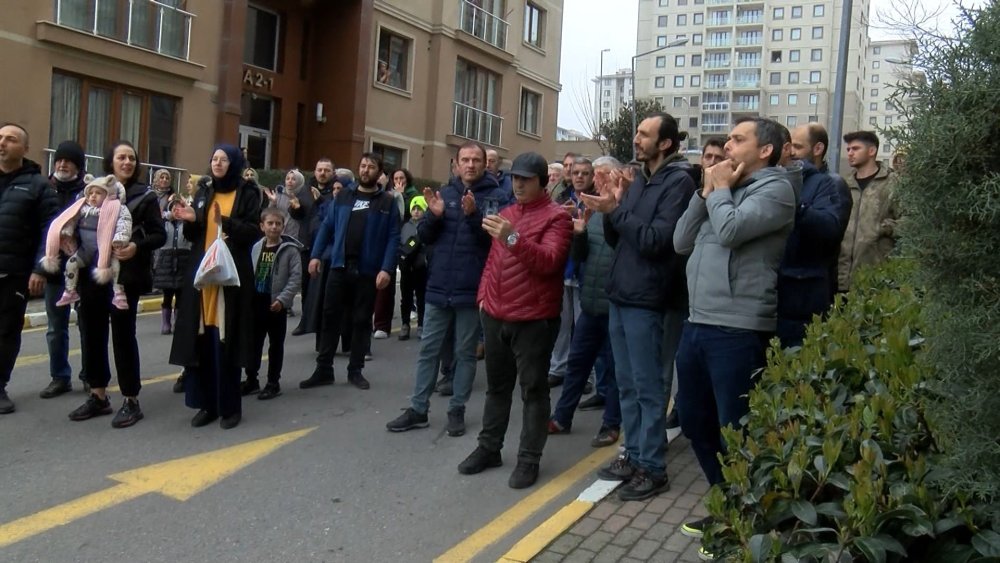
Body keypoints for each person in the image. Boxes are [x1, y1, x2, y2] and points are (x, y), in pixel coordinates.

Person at [672, 117, 798, 538]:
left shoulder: (776, 190)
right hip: (697, 322)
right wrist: (705, 192)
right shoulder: (724, 189)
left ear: (765, 150)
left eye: (737, 139)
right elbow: (680, 241)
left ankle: (747, 520)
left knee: (736, 430)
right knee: (693, 420)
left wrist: (721, 190)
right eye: (727, 138)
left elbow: (729, 231)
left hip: (737, 328)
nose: (727, 146)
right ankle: (727, 503)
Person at [580, 112, 697, 501]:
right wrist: (610, 208)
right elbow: (619, 239)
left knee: (648, 388)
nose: (637, 139)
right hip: (622, 294)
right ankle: (632, 455)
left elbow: (654, 241)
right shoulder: (640, 180)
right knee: (626, 385)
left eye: (645, 134)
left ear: (665, 143)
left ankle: (652, 466)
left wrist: (617, 210)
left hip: (650, 299)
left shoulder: (678, 183)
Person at [456, 151, 572, 489]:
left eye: (526, 179)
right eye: (515, 179)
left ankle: (528, 458)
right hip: (495, 314)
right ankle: (489, 447)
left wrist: (511, 237)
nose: (518, 184)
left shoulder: (557, 218)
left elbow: (550, 262)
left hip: (534, 319)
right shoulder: (507, 213)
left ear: (543, 181)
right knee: (497, 388)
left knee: (533, 391)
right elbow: (493, 262)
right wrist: (483, 298)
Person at [384, 141, 505, 436]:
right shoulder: (445, 192)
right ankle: (418, 408)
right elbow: (425, 235)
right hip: (439, 285)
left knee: (464, 353)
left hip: (470, 287)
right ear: (456, 163)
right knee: (429, 350)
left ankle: (457, 409)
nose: (471, 165)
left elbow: (493, 242)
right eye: (465, 159)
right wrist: (434, 216)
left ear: (484, 164)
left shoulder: (496, 197)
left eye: (476, 160)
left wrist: (475, 215)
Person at [66, 140, 166, 428]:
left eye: (132, 158)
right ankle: (98, 395)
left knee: (123, 335)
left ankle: (131, 399)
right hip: (92, 274)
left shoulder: (143, 196)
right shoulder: (93, 192)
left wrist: (136, 245)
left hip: (125, 276)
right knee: (91, 333)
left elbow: (158, 235)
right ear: (110, 162)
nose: (127, 163)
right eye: (121, 158)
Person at [170, 144, 261, 429]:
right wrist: (190, 220)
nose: (217, 163)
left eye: (223, 159)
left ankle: (229, 407)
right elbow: (196, 233)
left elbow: (252, 233)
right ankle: (206, 404)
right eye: (214, 159)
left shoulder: (247, 192)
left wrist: (227, 222)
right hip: (203, 278)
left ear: (234, 163)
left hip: (230, 279)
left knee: (226, 343)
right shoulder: (204, 191)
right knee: (202, 342)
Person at [300, 153, 399, 391]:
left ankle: (355, 371)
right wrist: (315, 255)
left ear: (379, 172)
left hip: (367, 270)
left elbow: (393, 238)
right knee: (330, 317)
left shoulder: (387, 202)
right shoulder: (344, 195)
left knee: (361, 320)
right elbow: (327, 226)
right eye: (363, 165)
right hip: (339, 266)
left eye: (371, 167)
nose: (365, 170)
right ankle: (324, 369)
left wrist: (386, 268)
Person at [548, 156, 622, 448]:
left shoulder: (625, 211)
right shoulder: (590, 211)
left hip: (615, 306)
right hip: (590, 305)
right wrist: (578, 234)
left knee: (615, 369)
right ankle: (561, 417)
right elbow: (579, 258)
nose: (599, 181)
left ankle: (611, 423)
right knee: (577, 364)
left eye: (606, 176)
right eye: (598, 176)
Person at [0, 123, 59, 414]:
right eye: (0, 138)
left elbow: (50, 231)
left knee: (6, 331)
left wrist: (40, 269)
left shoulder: (38, 186)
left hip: (14, 274)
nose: (2, 143)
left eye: (10, 139)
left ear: (24, 148)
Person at [777, 128, 848, 347]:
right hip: (777, 295)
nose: (791, 152)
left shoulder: (831, 184)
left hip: (804, 295)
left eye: (797, 146)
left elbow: (831, 233)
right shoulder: (777, 178)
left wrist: (796, 205)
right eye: (788, 147)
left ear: (818, 149)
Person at [39, 140, 88, 399]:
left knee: (87, 326)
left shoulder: (90, 193)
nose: (62, 164)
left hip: (83, 269)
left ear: (79, 167)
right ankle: (60, 377)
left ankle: (89, 376)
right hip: (54, 270)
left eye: (68, 161)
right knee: (56, 328)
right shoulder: (44, 190)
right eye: (59, 160)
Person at [41, 175, 132, 310]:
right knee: (71, 264)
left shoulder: (116, 208)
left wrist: (120, 238)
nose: (93, 196)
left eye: (98, 193)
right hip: (85, 250)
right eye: (90, 193)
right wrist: (67, 231)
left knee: (116, 267)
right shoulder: (82, 208)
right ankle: (70, 290)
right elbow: (71, 218)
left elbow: (124, 223)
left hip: (106, 249)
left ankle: (118, 292)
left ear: (108, 193)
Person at [240, 207, 302, 400]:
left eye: (278, 224)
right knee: (254, 343)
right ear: (262, 226)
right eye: (270, 223)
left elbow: (295, 278)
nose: (274, 227)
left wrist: (283, 300)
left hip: (276, 305)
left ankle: (273, 382)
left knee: (275, 345)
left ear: (283, 227)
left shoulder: (290, 250)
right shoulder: (257, 247)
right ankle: (252, 380)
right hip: (256, 302)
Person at [547, 157, 594, 388]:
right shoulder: (561, 198)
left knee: (583, 327)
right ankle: (558, 367)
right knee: (562, 324)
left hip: (586, 271)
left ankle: (585, 374)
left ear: (592, 176)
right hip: (563, 270)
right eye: (576, 172)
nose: (579, 177)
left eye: (585, 173)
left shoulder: (597, 199)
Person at [837, 131, 898, 292]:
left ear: (871, 151)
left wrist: (884, 228)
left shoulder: (892, 183)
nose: (850, 153)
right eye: (848, 149)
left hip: (876, 277)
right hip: (841, 277)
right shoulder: (843, 184)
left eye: (855, 149)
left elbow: (912, 221)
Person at [293, 158, 336, 336]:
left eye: (326, 170)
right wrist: (294, 209)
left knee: (322, 287)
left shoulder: (336, 191)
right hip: (306, 243)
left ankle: (322, 324)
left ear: (332, 173)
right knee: (305, 284)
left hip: (326, 248)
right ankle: (306, 321)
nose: (322, 173)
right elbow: (301, 215)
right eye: (319, 169)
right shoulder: (306, 190)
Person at [151, 169, 190, 335]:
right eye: (174, 209)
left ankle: (178, 322)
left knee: (180, 295)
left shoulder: (186, 225)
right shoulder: (164, 223)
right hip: (166, 260)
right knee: (167, 294)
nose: (177, 211)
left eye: (179, 209)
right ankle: (165, 323)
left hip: (182, 260)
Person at [397, 196, 428, 341]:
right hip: (406, 267)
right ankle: (405, 324)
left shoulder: (426, 225)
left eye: (419, 209)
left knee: (421, 297)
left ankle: (421, 324)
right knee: (406, 297)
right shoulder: (405, 226)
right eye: (414, 209)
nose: (416, 212)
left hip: (421, 266)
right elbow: (401, 243)